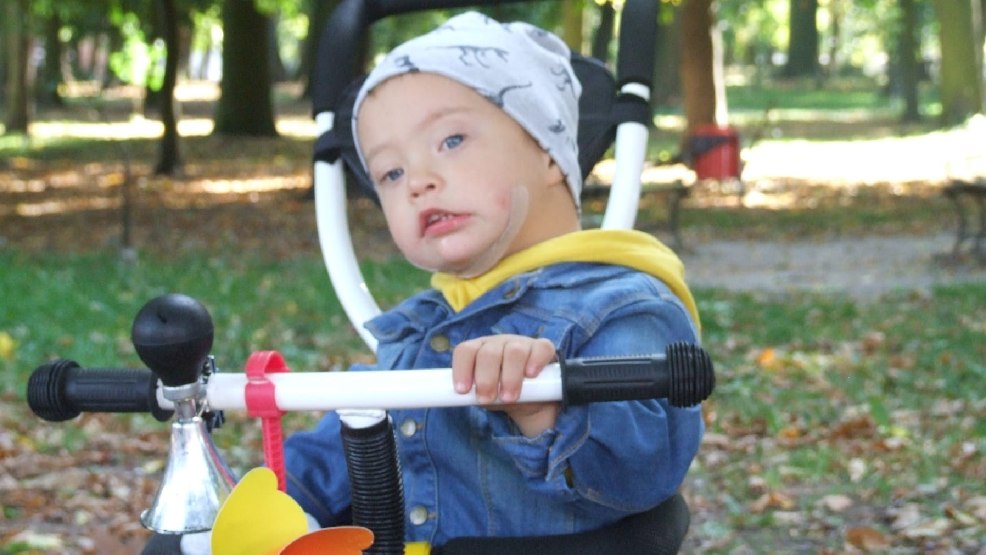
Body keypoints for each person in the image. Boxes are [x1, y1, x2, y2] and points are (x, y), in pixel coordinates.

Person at [283, 10, 704, 550]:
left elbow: (642, 475)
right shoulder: (424, 329)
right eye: (391, 172)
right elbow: (346, 441)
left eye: (451, 140)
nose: (417, 182)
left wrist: (540, 411)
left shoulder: (623, 305)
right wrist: (268, 499)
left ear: (548, 154)